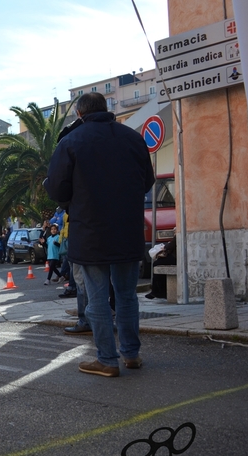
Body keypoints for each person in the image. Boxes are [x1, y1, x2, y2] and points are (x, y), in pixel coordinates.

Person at [46, 92, 155, 378]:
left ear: (80, 114)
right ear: (106, 110)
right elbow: (147, 182)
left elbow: (57, 190)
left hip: (91, 233)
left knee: (97, 299)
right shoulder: (133, 139)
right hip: (128, 231)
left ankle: (107, 359)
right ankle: (131, 354)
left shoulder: (71, 142)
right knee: (127, 296)